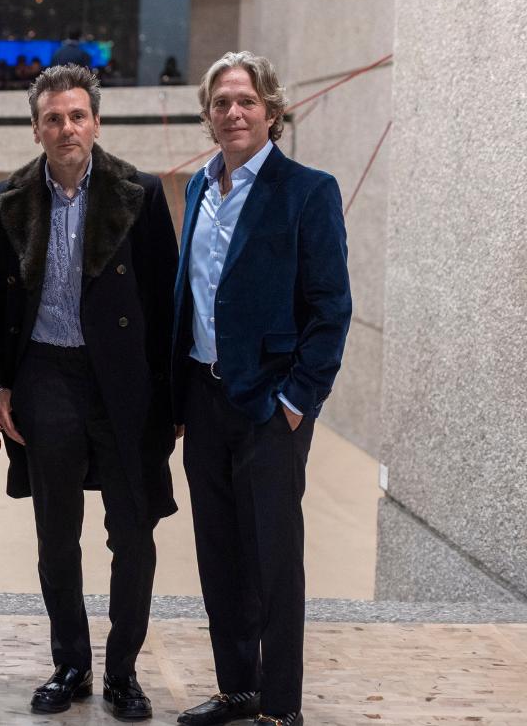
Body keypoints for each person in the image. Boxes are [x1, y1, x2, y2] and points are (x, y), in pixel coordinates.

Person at [0, 64, 177, 720]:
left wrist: (171, 401)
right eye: (53, 118)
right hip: (45, 376)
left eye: (77, 116)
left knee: (134, 533)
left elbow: (166, 301)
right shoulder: (5, 200)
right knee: (56, 534)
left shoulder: (139, 193)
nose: (67, 127)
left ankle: (122, 671)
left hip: (123, 383)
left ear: (96, 122)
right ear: (36, 129)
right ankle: (71, 663)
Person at [172, 52, 351, 726]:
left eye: (246, 101)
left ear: (271, 110)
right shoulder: (198, 187)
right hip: (204, 397)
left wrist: (297, 401)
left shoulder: (307, 190)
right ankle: (237, 687)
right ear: (208, 114)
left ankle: (281, 706)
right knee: (218, 553)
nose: (234, 113)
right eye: (221, 103)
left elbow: (331, 308)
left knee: (274, 560)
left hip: (271, 406)